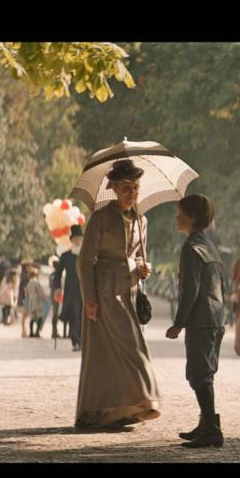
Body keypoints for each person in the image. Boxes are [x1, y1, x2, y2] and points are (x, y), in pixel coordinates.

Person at [75, 158, 160, 429]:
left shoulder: (142, 220)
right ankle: (144, 400)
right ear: (113, 188)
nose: (131, 193)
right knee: (128, 349)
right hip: (104, 293)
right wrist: (90, 299)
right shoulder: (100, 218)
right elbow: (84, 261)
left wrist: (144, 267)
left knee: (114, 356)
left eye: (135, 188)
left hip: (130, 293)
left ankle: (121, 411)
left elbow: (137, 256)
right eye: (126, 188)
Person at [166, 195, 227, 448]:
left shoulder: (191, 248)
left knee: (199, 374)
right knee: (205, 372)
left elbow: (190, 290)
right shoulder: (209, 245)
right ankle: (207, 423)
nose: (177, 217)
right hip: (215, 317)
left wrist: (179, 323)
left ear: (191, 217)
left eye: (180, 213)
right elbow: (221, 283)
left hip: (201, 319)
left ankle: (211, 430)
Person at [53, 225, 84, 352]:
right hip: (72, 292)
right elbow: (57, 274)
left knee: (84, 316)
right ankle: (76, 342)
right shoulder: (66, 256)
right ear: (72, 240)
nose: (78, 241)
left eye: (80, 239)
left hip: (85, 291)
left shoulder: (87, 255)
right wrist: (57, 288)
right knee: (74, 316)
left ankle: (83, 342)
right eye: (75, 239)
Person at [25, 264, 48, 338]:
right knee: (40, 316)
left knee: (32, 317)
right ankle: (37, 332)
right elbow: (40, 292)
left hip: (31, 301)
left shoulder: (29, 283)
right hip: (37, 301)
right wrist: (45, 298)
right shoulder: (36, 282)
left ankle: (31, 332)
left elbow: (27, 293)